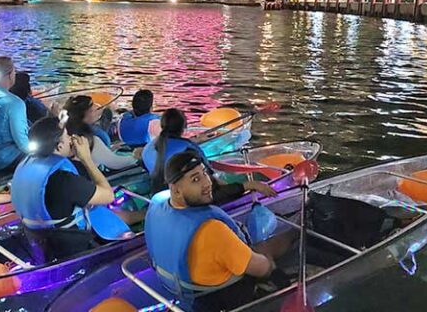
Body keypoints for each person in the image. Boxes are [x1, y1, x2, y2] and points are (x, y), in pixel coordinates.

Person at [145, 152, 289, 311]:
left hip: (180, 289)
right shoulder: (211, 230)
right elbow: (261, 268)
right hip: (219, 295)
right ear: (176, 191)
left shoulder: (157, 203)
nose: (207, 183)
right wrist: (269, 263)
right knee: (269, 259)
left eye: (204, 173)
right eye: (195, 179)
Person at [12, 116, 130, 261]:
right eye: (67, 135)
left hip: (36, 237)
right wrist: (86, 159)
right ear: (59, 146)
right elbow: (108, 195)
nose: (70, 139)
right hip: (69, 247)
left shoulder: (26, 165)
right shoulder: (64, 180)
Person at [143, 108, 275, 201]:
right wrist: (250, 185)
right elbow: (212, 188)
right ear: (185, 128)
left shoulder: (149, 147)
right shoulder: (189, 152)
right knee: (225, 186)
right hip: (182, 199)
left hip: (157, 193)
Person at [64, 95, 137, 171]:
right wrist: (137, 156)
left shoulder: (66, 131)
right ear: (85, 114)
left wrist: (108, 150)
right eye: (92, 109)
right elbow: (116, 163)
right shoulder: (91, 140)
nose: (97, 108)